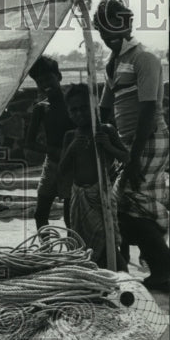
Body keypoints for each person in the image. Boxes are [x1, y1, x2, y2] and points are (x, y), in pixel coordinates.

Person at [94, 0, 170, 293]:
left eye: (111, 30)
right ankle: (152, 265)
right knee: (128, 205)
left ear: (125, 27)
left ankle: (164, 267)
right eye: (102, 31)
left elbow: (149, 111)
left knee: (129, 207)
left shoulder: (144, 59)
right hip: (128, 143)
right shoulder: (113, 63)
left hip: (148, 140)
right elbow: (104, 107)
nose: (106, 36)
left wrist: (132, 159)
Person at [58, 84, 129, 268]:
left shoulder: (105, 130)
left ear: (94, 108)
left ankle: (124, 278)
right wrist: (73, 147)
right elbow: (62, 169)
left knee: (108, 242)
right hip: (79, 196)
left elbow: (125, 157)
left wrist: (108, 146)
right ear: (68, 112)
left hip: (100, 195)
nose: (79, 113)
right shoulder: (69, 136)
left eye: (84, 108)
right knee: (80, 242)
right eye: (74, 110)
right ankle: (90, 276)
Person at [25, 56, 74, 231]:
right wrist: (52, 150)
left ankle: (74, 253)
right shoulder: (41, 108)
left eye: (49, 79)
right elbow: (29, 143)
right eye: (40, 81)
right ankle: (47, 250)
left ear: (59, 76)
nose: (45, 84)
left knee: (70, 218)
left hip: (73, 167)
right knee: (40, 214)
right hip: (51, 164)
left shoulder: (73, 102)